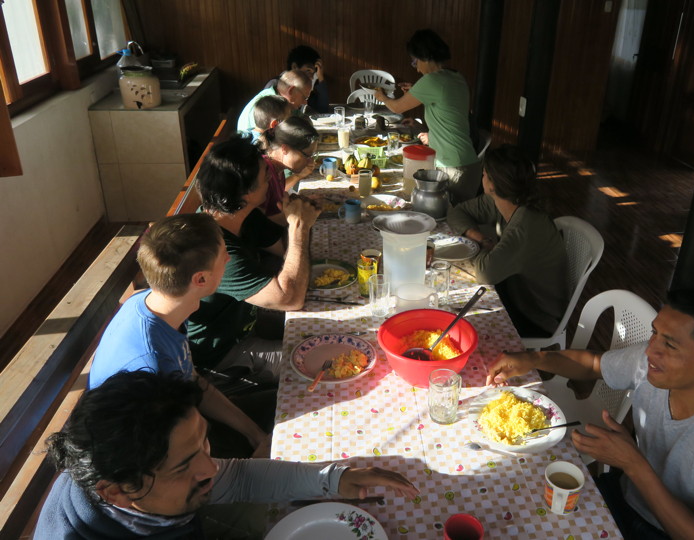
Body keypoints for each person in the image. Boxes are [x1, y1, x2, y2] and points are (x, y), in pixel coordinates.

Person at [486, 289, 694, 540]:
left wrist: (632, 463)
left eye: (670, 344)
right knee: (514, 512)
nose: (652, 350)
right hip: (625, 497)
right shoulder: (653, 362)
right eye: (655, 333)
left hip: (666, 532)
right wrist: (533, 358)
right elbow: (592, 364)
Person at [34, 371, 419, 538]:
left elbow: (241, 477)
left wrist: (333, 478)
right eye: (185, 465)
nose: (210, 468)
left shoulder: (141, 491)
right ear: (116, 492)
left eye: (204, 440)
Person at [88, 214, 273, 458]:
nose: (229, 258)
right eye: (223, 255)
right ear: (201, 279)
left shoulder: (156, 304)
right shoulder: (151, 365)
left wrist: (255, 434)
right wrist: (255, 462)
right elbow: (169, 461)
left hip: (187, 417)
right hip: (162, 453)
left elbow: (193, 381)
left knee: (288, 401)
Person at [188, 134, 321, 383]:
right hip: (219, 358)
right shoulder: (213, 248)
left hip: (249, 327)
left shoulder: (242, 216)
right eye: (265, 177)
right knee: (319, 363)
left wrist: (293, 215)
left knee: (328, 336)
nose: (272, 177)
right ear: (246, 193)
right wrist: (299, 226)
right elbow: (290, 299)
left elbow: (286, 253)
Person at [447, 145, 568, 337]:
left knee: (456, 323)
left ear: (493, 184)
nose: (482, 178)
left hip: (534, 315)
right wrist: (479, 238)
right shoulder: (502, 200)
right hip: (511, 289)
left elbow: (486, 273)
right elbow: (456, 212)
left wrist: (481, 249)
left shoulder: (526, 225)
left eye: (484, 173)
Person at [374, 29, 480, 204]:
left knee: (448, 224)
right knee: (456, 221)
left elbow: (396, 107)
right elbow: (447, 107)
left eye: (415, 61)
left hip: (452, 167)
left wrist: (381, 96)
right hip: (468, 164)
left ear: (424, 56)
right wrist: (417, 91)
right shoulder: (456, 76)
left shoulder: (431, 81)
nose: (416, 68)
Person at [259, 116, 319, 218]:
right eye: (306, 155)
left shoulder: (278, 167)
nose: (311, 161)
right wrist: (294, 213)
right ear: (285, 149)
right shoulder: (263, 173)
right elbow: (258, 224)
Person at [237, 69, 312, 132]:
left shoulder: (283, 100)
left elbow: (301, 118)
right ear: (291, 91)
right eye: (304, 97)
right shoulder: (268, 105)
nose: (305, 102)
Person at [285, 45, 329, 114]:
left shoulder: (306, 87)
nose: (311, 77)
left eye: (314, 73)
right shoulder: (278, 86)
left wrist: (320, 77)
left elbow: (323, 109)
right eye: (308, 70)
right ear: (294, 67)